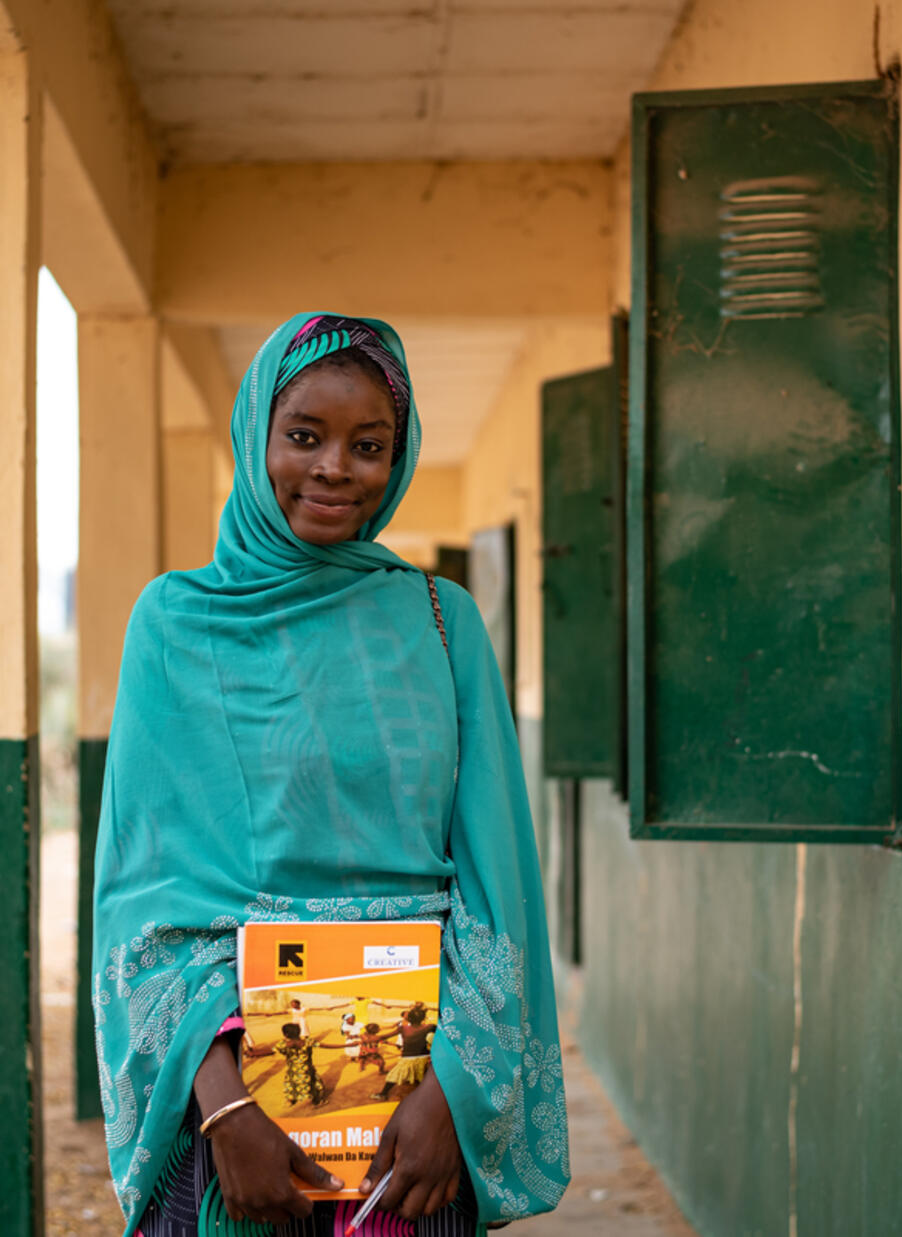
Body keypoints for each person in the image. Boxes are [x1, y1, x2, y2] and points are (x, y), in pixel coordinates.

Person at [92, 312, 569, 1237]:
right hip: (228, 1114)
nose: (335, 468)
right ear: (255, 435)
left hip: (413, 1112)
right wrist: (227, 1110)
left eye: (370, 445)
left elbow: (493, 879)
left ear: (401, 458)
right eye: (304, 435)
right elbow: (141, 902)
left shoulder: (442, 621)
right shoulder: (175, 625)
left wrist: (451, 1095)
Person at [372, 1007, 438, 1100]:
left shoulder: (403, 1028)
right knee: (422, 1075)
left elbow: (384, 1036)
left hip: (408, 1058)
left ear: (409, 1018)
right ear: (423, 1018)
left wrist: (371, 1037)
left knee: (393, 1076)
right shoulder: (430, 1027)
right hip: (425, 1057)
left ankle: (383, 1094)